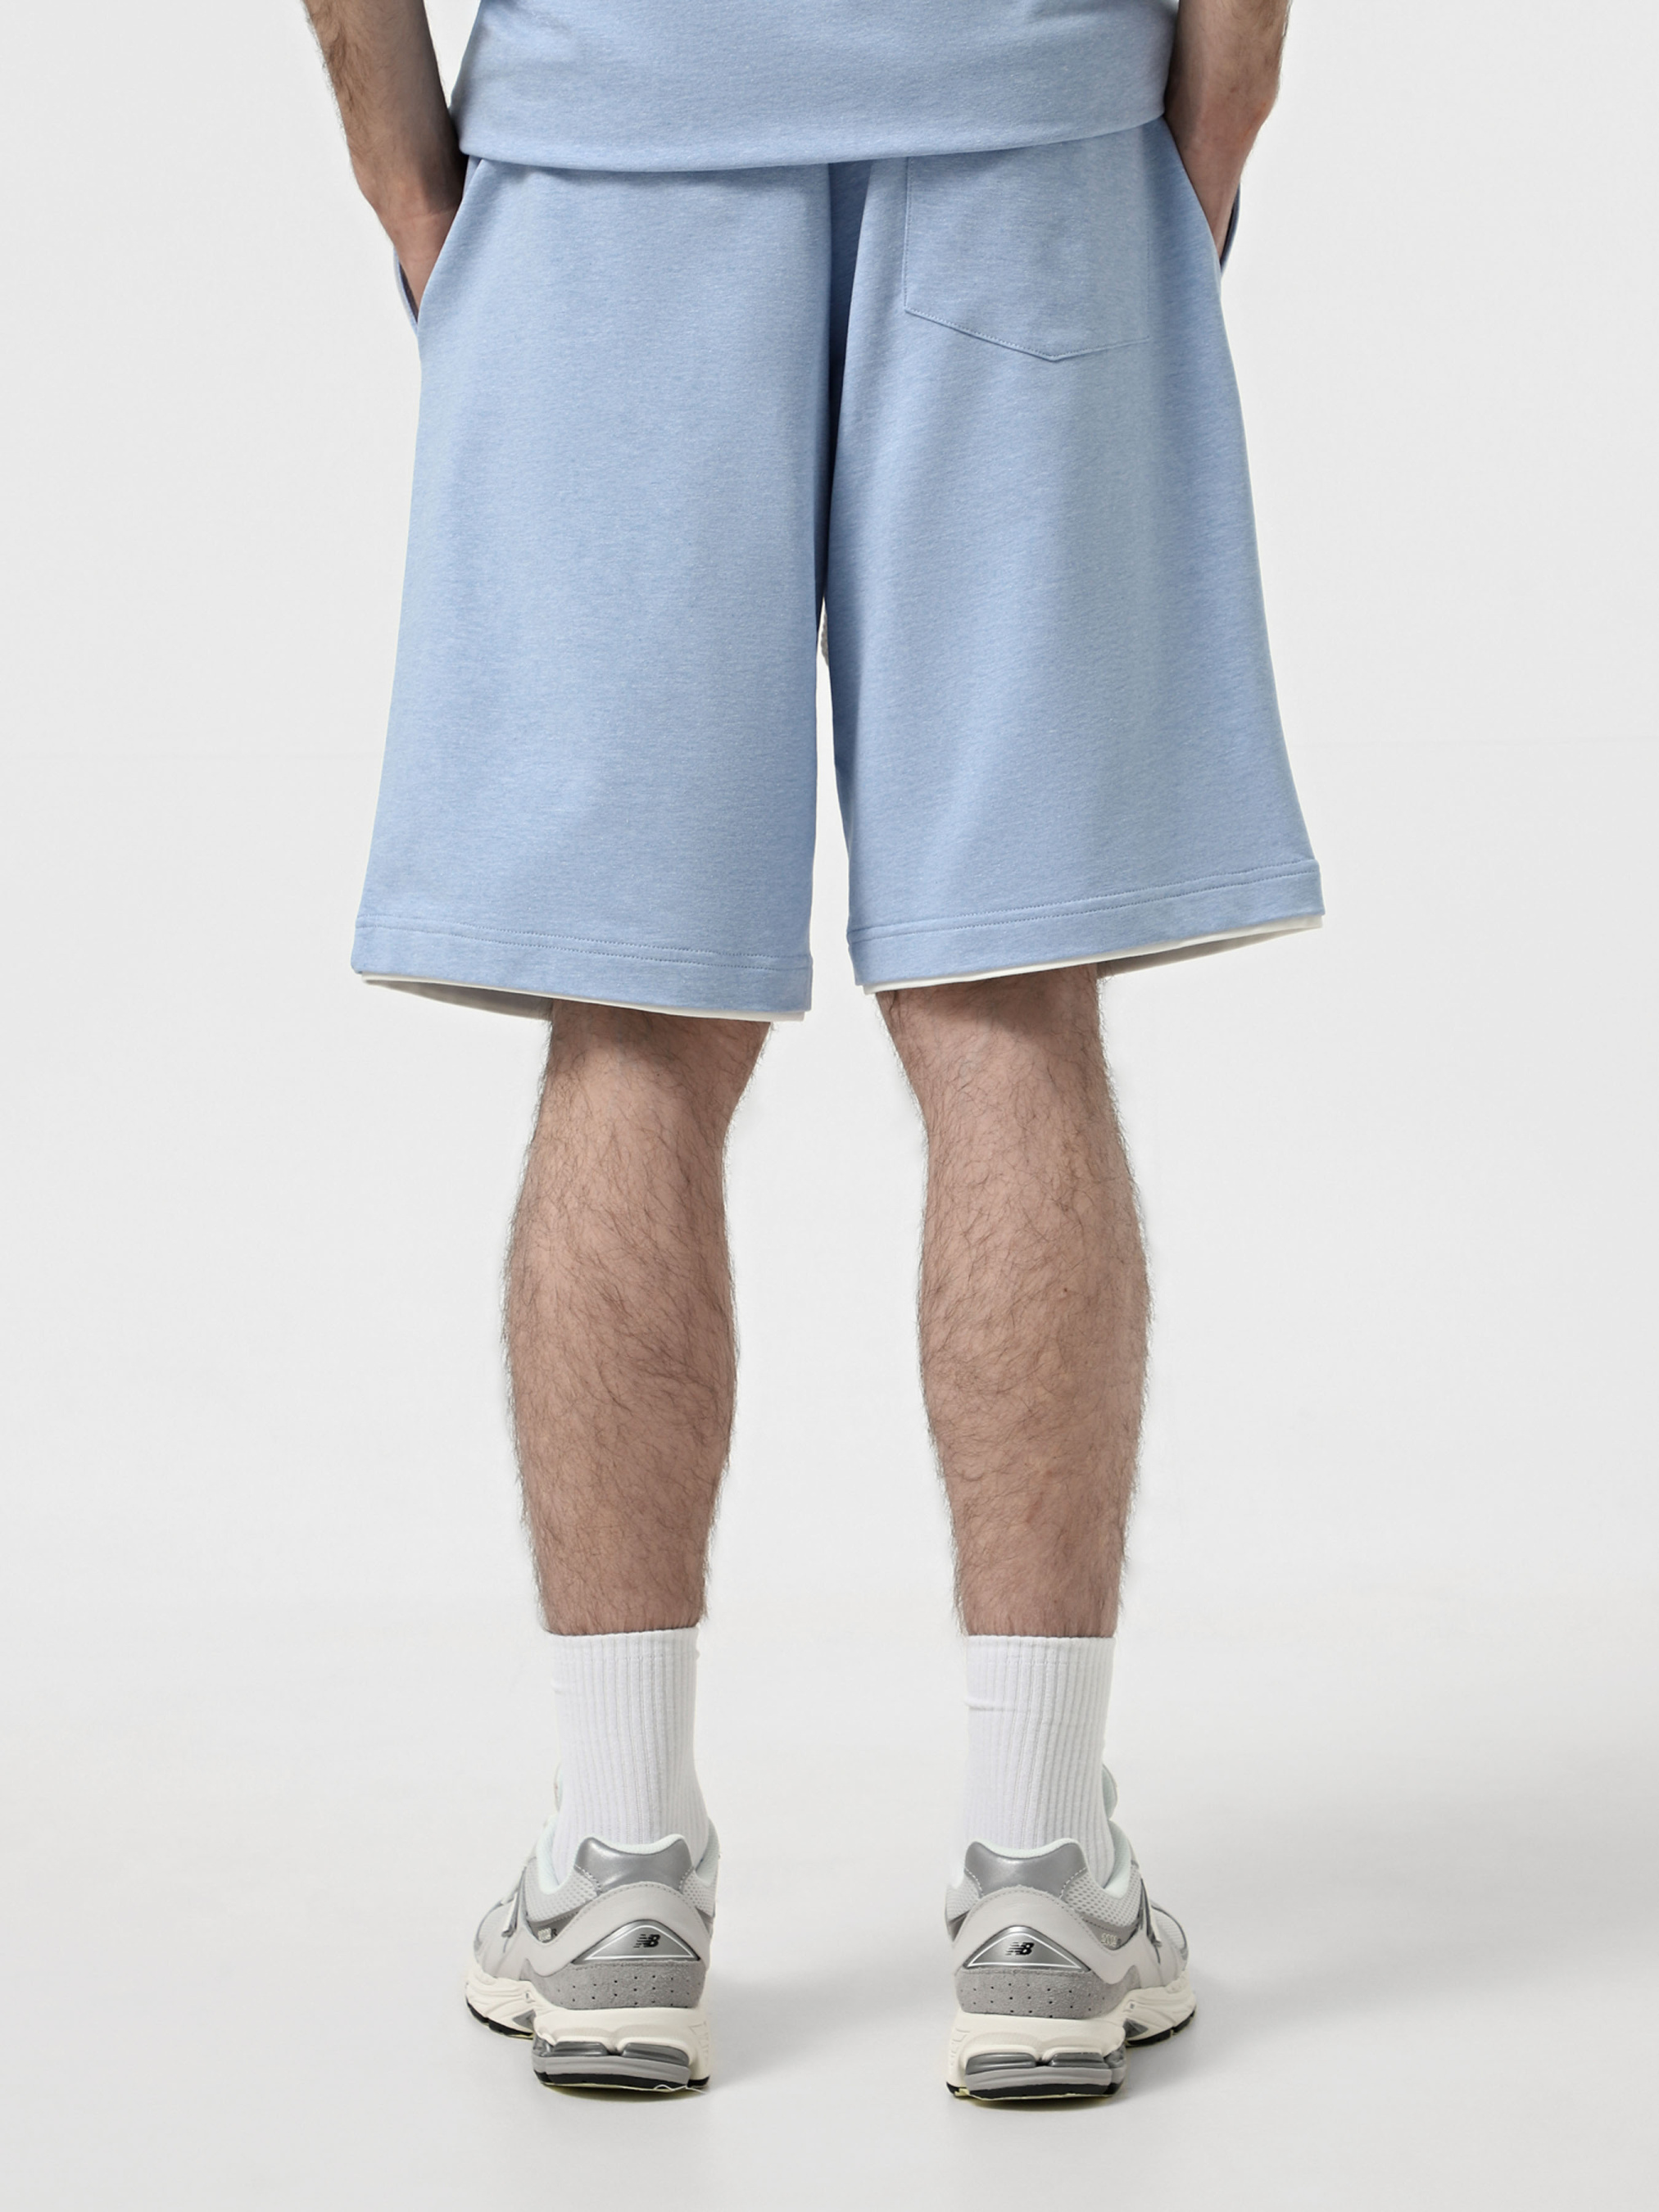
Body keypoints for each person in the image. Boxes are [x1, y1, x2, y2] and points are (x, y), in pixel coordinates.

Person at [301, 0, 1321, 2101]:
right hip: (1028, 126)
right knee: (1007, 1000)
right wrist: (1189, 136)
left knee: (634, 1026)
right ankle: (1040, 1874)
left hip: (608, 161)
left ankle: (617, 1874)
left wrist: (421, 198)